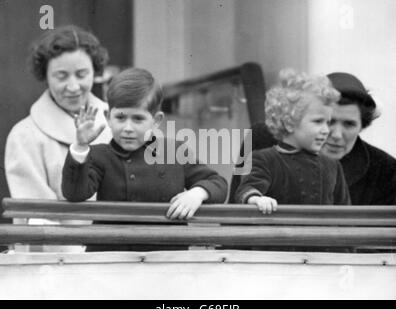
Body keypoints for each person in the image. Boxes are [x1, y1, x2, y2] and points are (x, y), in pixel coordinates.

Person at [61, 67, 228, 251]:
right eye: (120, 118)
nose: (128, 128)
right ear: (108, 117)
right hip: (111, 260)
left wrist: (197, 194)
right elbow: (74, 194)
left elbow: (218, 183)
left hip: (164, 259)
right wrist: (80, 146)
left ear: (156, 120)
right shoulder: (99, 155)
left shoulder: (175, 151)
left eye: (138, 119)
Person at [4, 25, 112, 252]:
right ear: (45, 75)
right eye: (61, 76)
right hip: (58, 262)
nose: (73, 86)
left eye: (82, 74)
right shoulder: (24, 136)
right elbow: (38, 217)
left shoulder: (118, 123)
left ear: (95, 71)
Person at [234, 69, 350, 213]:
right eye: (318, 121)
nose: (326, 130)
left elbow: (345, 212)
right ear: (289, 123)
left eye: (328, 122)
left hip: (321, 235)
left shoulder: (332, 165)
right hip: (279, 234)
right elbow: (246, 190)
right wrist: (258, 199)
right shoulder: (264, 160)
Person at [321, 72, 396, 205]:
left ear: (362, 126)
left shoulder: (387, 172)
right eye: (329, 121)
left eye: (349, 124)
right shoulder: (279, 162)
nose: (337, 135)